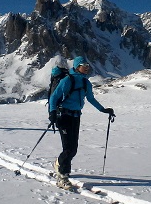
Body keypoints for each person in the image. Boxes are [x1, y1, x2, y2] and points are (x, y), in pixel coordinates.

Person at [48, 56, 115, 189]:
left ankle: (59, 164)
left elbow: (91, 99)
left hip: (76, 117)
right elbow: (54, 98)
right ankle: (62, 175)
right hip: (64, 116)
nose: (87, 67)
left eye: (87, 65)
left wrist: (103, 110)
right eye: (84, 65)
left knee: (73, 149)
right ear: (77, 66)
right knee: (69, 148)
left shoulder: (86, 83)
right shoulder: (67, 80)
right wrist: (52, 113)